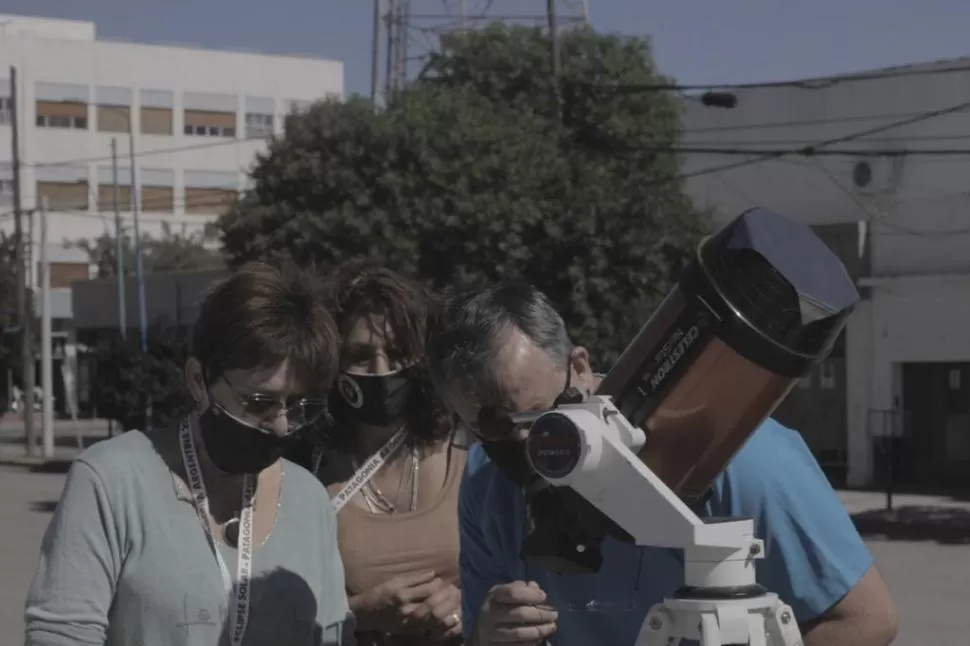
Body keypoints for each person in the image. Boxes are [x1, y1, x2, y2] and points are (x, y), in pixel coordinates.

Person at [425, 281, 899, 646]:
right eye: (494, 429)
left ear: (581, 369)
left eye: (538, 418)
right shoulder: (487, 482)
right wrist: (490, 634)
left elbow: (865, 620)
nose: (529, 447)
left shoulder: (739, 458)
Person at [24, 262, 355, 646]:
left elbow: (334, 635)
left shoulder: (309, 500)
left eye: (299, 406)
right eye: (260, 402)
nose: (282, 425)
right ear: (199, 380)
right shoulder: (113, 480)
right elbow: (60, 635)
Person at [293, 260, 466, 646]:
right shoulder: (306, 469)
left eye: (397, 351)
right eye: (360, 354)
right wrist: (362, 611)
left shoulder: (469, 450)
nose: (381, 369)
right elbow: (280, 612)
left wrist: (468, 607)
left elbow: (523, 573)